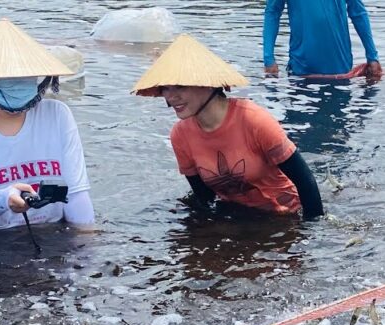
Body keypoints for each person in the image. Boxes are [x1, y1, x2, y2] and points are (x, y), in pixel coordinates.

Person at [133, 34, 324, 220]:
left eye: (180, 86)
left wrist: (309, 235)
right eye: (166, 88)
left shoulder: (253, 120)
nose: (170, 96)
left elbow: (305, 182)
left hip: (283, 214)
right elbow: (204, 197)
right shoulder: (180, 135)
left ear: (207, 84)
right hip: (237, 215)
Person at [0, 18, 95, 230]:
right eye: (8, 77)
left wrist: (87, 248)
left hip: (54, 231)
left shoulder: (57, 115)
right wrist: (3, 199)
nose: (18, 81)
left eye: (25, 76)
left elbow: (76, 193)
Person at [263, 0, 383, 80]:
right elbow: (272, 12)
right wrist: (268, 59)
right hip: (302, 72)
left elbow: (358, 12)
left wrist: (372, 56)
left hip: (340, 71)